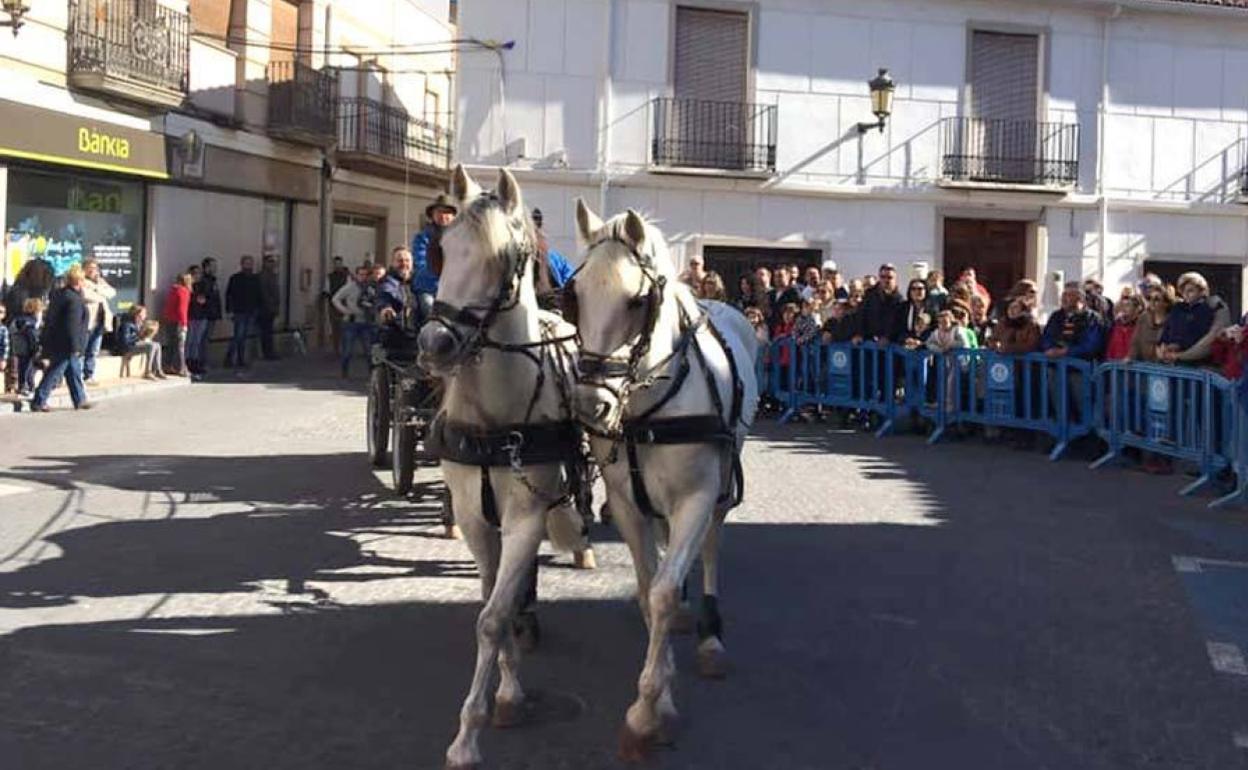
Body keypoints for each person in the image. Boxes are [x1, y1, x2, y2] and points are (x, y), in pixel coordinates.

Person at [30, 264, 92, 412]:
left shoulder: (60, 294)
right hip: (67, 343)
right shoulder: (73, 300)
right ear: (78, 281)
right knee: (55, 372)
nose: (84, 283)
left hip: (57, 339)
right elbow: (72, 325)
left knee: (74, 371)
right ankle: (39, 400)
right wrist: (76, 346)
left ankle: (80, 399)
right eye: (83, 280)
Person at [1158, 272, 1229, 366]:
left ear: (1201, 291)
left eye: (1190, 291)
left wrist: (1179, 351)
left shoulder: (1208, 308)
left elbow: (1202, 336)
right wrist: (1164, 346)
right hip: (1174, 363)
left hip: (1198, 365)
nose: (1186, 294)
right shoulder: (1178, 308)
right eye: (1183, 291)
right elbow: (1166, 330)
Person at [411, 193, 458, 319]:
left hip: (455, 290)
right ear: (432, 215)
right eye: (439, 212)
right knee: (431, 309)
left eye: (447, 212)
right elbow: (421, 264)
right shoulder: (422, 238)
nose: (443, 216)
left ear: (453, 216)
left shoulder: (461, 239)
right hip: (429, 288)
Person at [332, 263, 375, 378]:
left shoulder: (370, 288)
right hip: (351, 322)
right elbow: (335, 299)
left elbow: (375, 301)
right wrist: (345, 310)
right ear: (356, 275)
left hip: (365, 322)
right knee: (347, 351)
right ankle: (344, 372)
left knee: (369, 351)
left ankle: (372, 375)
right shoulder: (350, 287)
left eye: (365, 275)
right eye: (360, 274)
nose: (363, 277)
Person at [79, 259, 116, 386]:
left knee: (94, 350)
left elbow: (111, 292)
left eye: (95, 268)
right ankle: (78, 375)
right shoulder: (81, 281)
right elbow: (86, 296)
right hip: (87, 321)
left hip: (101, 320)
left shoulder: (100, 282)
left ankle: (89, 374)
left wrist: (97, 288)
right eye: (90, 268)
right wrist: (100, 293)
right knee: (82, 349)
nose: (93, 271)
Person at [224, 255, 263, 369]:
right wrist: (229, 310)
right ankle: (230, 357)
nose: (249, 265)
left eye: (250, 263)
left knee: (244, 336)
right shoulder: (235, 278)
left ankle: (240, 359)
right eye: (246, 263)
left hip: (251, 311)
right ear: (242, 264)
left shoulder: (255, 279)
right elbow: (229, 294)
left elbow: (259, 294)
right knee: (238, 335)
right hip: (239, 310)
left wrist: (258, 308)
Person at [188, 256, 222, 376]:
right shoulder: (203, 283)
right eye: (212, 266)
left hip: (205, 315)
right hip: (199, 315)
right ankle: (195, 362)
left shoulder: (212, 280)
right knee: (196, 340)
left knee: (201, 340)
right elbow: (205, 298)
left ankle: (199, 362)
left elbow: (214, 298)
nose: (215, 268)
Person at [858, 263, 905, 344]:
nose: (886, 280)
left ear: (895, 279)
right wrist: (860, 334)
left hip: (889, 345)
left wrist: (888, 337)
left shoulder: (900, 300)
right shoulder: (869, 295)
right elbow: (861, 316)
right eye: (883, 277)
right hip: (869, 343)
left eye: (890, 277)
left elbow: (899, 324)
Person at [116, 305, 165, 380]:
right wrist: (139, 337)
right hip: (127, 348)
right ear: (137, 314)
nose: (145, 315)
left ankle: (158, 370)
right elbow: (125, 341)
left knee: (157, 345)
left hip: (135, 345)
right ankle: (147, 371)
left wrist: (147, 334)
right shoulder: (127, 324)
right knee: (151, 346)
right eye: (144, 313)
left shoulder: (139, 324)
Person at [1129, 284, 1174, 363]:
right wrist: (1131, 357)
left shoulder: (1172, 321)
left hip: (1164, 367)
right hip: (1144, 366)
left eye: (1156, 299)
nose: (1152, 302)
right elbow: (1135, 342)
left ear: (1166, 303)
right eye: (1150, 298)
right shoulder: (1143, 318)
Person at [10, 297, 43, 396]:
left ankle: (24, 386)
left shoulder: (19, 319)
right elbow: (32, 337)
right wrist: (36, 349)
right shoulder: (31, 322)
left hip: (18, 347)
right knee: (28, 368)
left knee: (23, 367)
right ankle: (27, 387)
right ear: (36, 311)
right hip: (27, 348)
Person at [162, 271, 192, 376]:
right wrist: (184, 323)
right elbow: (182, 309)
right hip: (178, 321)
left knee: (172, 344)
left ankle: (168, 365)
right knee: (180, 345)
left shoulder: (173, 290)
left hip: (170, 320)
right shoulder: (183, 291)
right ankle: (182, 368)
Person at [257, 254, 282, 361]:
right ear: (265, 263)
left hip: (271, 308)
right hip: (265, 309)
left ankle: (270, 351)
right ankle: (267, 352)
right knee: (266, 331)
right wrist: (271, 306)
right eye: (270, 262)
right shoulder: (263, 276)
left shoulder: (273, 275)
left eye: (274, 262)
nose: (273, 264)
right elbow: (264, 293)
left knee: (269, 330)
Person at [1105, 295, 1143, 361]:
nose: (1123, 308)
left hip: (1132, 367)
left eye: (1127, 305)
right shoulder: (1114, 326)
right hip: (1113, 367)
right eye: (1121, 305)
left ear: (1136, 309)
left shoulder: (1141, 328)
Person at [325, 255, 351, 353]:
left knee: (344, 327)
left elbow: (350, 290)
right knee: (335, 327)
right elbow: (327, 290)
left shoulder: (346, 277)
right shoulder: (330, 277)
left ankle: (344, 347)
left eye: (339, 263)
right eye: (336, 264)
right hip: (333, 305)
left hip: (344, 305)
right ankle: (336, 348)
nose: (337, 266)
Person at [900, 278, 929, 345]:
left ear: (926, 291)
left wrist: (921, 341)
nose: (916, 291)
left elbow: (934, 330)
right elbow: (899, 327)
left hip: (925, 348)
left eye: (920, 289)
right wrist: (906, 339)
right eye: (913, 289)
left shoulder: (932, 308)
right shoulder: (903, 307)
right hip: (906, 347)